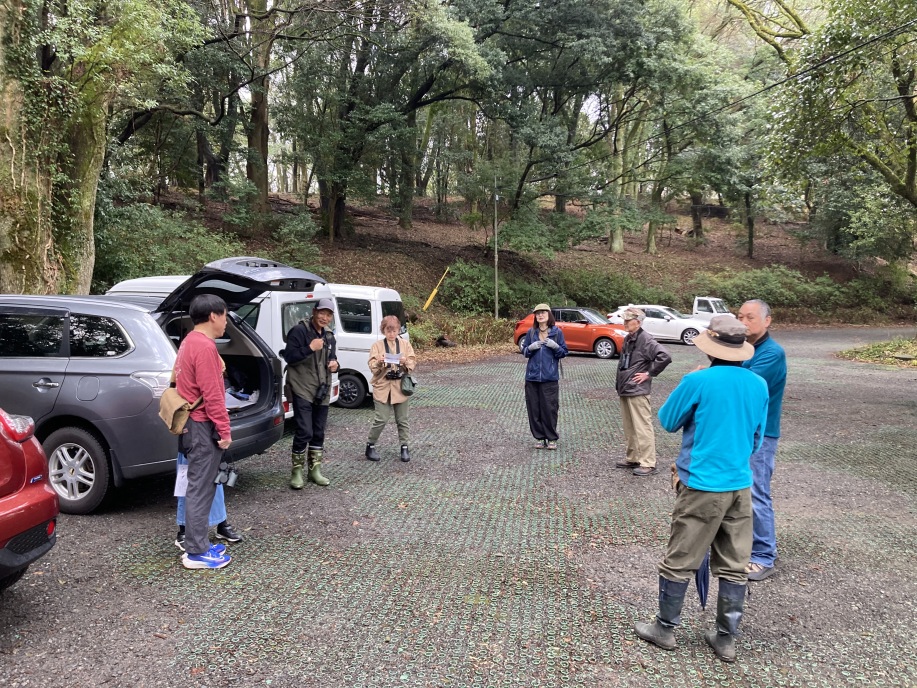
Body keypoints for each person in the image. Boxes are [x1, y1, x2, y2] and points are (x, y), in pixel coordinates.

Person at [633, 314, 768, 663]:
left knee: (680, 559)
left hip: (701, 485)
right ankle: (725, 638)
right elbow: (757, 439)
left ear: (710, 348)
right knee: (735, 563)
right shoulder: (758, 384)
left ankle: (665, 628)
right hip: (740, 485)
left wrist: (688, 382)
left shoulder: (698, 381)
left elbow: (667, 420)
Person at [173, 294, 233, 570]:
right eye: (225, 315)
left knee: (200, 485)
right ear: (213, 316)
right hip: (201, 425)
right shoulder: (205, 346)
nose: (226, 321)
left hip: (190, 424)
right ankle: (196, 552)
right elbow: (213, 395)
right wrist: (224, 430)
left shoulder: (188, 341)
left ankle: (200, 544)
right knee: (200, 488)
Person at [737, 299, 787, 582]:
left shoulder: (772, 353)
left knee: (757, 492)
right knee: (739, 489)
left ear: (767, 321)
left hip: (762, 433)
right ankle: (742, 545)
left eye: (750, 317)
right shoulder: (743, 348)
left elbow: (744, 385)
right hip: (741, 429)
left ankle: (765, 555)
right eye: (740, 317)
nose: (743, 322)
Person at [283, 298, 339, 489]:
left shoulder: (329, 336)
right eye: (322, 313)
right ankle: (297, 471)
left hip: (322, 388)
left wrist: (335, 365)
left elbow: (333, 359)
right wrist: (309, 348)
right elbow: (288, 356)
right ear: (314, 312)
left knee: (318, 431)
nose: (325, 318)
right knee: (304, 430)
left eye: (328, 315)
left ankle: (315, 470)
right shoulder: (299, 331)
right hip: (302, 387)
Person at [614, 307, 672, 476]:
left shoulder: (646, 339)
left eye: (628, 320)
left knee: (642, 426)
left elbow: (665, 356)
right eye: (624, 320)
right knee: (629, 426)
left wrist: (648, 373)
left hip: (637, 390)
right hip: (626, 388)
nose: (625, 323)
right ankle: (633, 457)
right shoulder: (629, 338)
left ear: (638, 322)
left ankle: (648, 462)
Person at [174, 433, 242, 551]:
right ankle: (183, 531)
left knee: (215, 486)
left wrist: (223, 433)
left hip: (208, 440)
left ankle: (222, 524)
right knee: (186, 487)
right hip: (190, 442)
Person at [365, 315, 417, 462]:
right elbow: (372, 367)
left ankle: (404, 447)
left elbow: (412, 362)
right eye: (388, 330)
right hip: (383, 386)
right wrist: (379, 362)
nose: (392, 334)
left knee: (402, 419)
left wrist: (405, 361)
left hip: (400, 387)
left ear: (398, 330)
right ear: (384, 330)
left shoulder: (405, 344)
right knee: (381, 418)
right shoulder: (377, 346)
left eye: (394, 330)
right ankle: (370, 445)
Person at [520, 304, 568, 450]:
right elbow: (525, 352)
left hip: (550, 378)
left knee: (550, 408)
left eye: (543, 313)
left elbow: (563, 352)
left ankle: (551, 438)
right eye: (538, 313)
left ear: (548, 315)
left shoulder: (557, 333)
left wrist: (555, 346)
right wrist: (530, 347)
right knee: (534, 409)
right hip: (532, 377)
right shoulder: (531, 332)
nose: (540, 315)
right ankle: (540, 437)